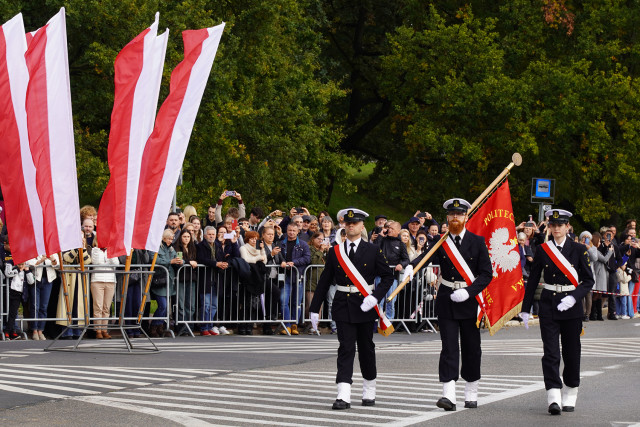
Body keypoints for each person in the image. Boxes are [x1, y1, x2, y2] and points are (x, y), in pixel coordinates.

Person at [410, 198, 492, 411]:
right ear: (447, 217)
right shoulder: (440, 241)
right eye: (452, 214)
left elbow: (486, 275)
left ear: (466, 217)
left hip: (469, 299)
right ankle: (449, 395)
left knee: (472, 348)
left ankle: (471, 390)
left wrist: (468, 291)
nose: (455, 217)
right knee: (449, 347)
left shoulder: (477, 241)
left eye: (459, 214)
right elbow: (425, 259)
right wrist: (411, 267)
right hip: (447, 298)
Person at [309, 208, 394, 409]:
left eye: (354, 223)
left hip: (365, 305)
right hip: (343, 304)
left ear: (362, 225)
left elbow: (388, 277)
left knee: (366, 349)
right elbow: (325, 280)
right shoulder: (336, 251)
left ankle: (369, 390)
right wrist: (314, 308)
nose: (351, 226)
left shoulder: (373, 250)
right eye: (347, 223)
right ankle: (343, 394)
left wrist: (375, 298)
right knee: (345, 348)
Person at [520, 209, 595, 415]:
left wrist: (574, 297)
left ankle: (571, 391)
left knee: (571, 353)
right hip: (549, 305)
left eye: (560, 225)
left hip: (571, 306)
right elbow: (533, 279)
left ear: (567, 227)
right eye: (552, 225)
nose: (556, 229)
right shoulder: (544, 249)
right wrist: (525, 309)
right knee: (551, 352)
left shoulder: (579, 250)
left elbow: (588, 280)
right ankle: (553, 395)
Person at [278, 223, 311, 335]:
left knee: (296, 302)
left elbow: (307, 258)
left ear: (298, 232)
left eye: (293, 230)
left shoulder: (303, 244)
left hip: (298, 276)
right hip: (286, 276)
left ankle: (294, 324)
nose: (291, 232)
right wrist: (282, 262)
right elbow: (278, 257)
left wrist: (295, 263)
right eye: (289, 230)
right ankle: (287, 324)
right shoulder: (281, 243)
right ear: (286, 231)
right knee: (283, 300)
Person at [152, 229, 179, 337]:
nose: (170, 241)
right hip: (160, 281)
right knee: (162, 305)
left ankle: (160, 327)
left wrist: (180, 262)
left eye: (172, 239)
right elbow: (155, 260)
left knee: (165, 307)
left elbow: (175, 259)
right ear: (163, 238)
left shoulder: (171, 249)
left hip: (169, 281)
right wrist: (169, 262)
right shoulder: (157, 248)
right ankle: (154, 326)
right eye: (168, 239)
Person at [26, 254, 59, 340]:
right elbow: (29, 262)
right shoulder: (35, 248)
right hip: (36, 279)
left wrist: (53, 260)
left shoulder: (51, 250)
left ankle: (41, 330)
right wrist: (40, 261)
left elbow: (58, 265)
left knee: (44, 307)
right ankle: (34, 330)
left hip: (48, 280)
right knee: (35, 306)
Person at [173, 228, 199, 336]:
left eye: (188, 236)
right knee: (181, 305)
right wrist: (189, 262)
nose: (186, 238)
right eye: (184, 236)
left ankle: (190, 327)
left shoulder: (193, 248)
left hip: (191, 278)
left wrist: (192, 262)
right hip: (181, 279)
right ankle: (182, 327)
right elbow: (178, 262)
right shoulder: (176, 248)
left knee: (191, 305)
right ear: (181, 237)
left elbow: (197, 260)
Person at [90, 244, 119, 339]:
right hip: (97, 280)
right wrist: (101, 251)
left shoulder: (112, 249)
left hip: (110, 280)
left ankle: (104, 330)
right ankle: (98, 330)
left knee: (106, 307)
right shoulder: (95, 249)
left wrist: (110, 252)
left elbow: (116, 263)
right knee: (98, 306)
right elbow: (95, 262)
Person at [196, 226, 221, 336]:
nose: (211, 236)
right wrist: (215, 263)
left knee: (213, 305)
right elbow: (201, 259)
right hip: (205, 278)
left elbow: (221, 257)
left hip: (215, 278)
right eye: (209, 234)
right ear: (205, 235)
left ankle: (210, 326)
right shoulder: (200, 246)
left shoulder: (218, 245)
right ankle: (204, 327)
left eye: (213, 234)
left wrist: (222, 263)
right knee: (205, 304)